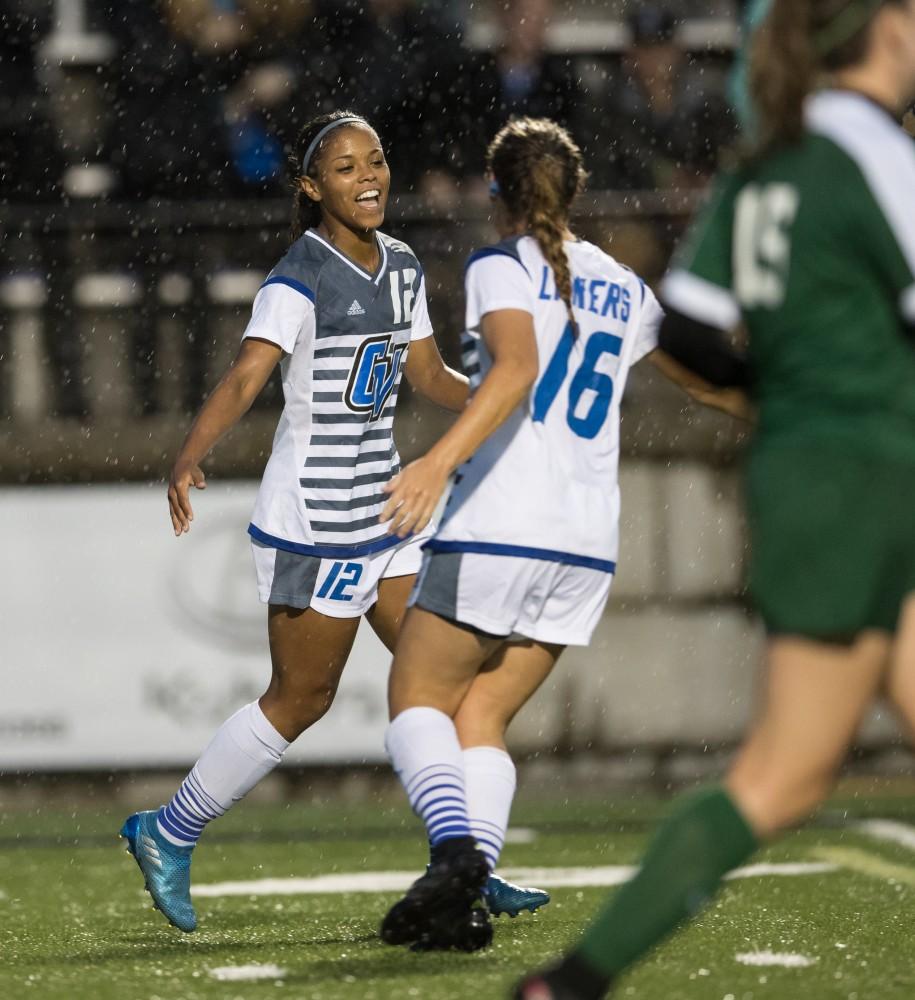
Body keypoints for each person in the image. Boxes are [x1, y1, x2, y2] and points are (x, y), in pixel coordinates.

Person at [516, 0, 915, 995]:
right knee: (782, 774)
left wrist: (791, 393)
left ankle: (566, 984)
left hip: (814, 470)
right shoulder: (881, 157)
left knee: (790, 768)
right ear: (889, 31)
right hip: (873, 471)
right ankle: (569, 982)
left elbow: (688, 332)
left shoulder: (767, 165)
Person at [373, 117, 745, 952]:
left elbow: (513, 370)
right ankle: (463, 897)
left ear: (492, 190)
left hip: (501, 519)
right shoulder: (622, 282)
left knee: (414, 703)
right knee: (481, 719)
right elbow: (709, 375)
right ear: (574, 193)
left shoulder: (502, 264)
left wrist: (435, 464)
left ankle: (459, 855)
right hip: (585, 541)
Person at [117, 110, 476, 933]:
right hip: (316, 519)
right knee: (300, 698)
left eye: (377, 160)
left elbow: (426, 372)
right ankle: (166, 833)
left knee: (444, 682)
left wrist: (500, 399)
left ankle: (464, 863)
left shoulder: (406, 265)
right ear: (313, 189)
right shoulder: (296, 277)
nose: (369, 176)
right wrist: (187, 454)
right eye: (347, 167)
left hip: (388, 510)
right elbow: (247, 377)